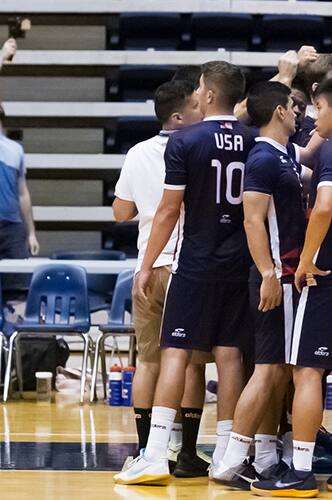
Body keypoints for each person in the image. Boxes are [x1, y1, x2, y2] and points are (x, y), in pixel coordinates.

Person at [114, 60, 257, 486]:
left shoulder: (186, 141)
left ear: (208, 94)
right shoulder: (255, 141)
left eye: (199, 86)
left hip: (194, 260)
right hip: (241, 262)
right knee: (230, 356)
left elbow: (169, 210)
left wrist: (145, 264)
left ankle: (155, 453)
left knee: (173, 353)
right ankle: (228, 457)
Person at [252, 77, 332, 497]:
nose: (314, 117)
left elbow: (324, 205)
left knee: (306, 370)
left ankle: (302, 471)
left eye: (320, 108)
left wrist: (307, 259)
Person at [112, 79, 212, 477]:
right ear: (178, 116)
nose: (201, 108)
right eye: (194, 104)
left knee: (148, 363)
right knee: (191, 365)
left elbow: (121, 212)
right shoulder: (201, 148)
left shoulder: (137, 153)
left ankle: (144, 451)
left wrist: (142, 199)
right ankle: (186, 452)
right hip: (188, 268)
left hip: (148, 268)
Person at [209, 81, 306, 489]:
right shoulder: (263, 157)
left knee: (279, 370)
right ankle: (229, 461)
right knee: (267, 370)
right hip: (275, 276)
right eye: (292, 106)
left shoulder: (284, 154)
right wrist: (268, 273)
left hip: (286, 276)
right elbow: (252, 220)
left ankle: (265, 457)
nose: (298, 112)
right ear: (280, 112)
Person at [0, 102, 38, 264]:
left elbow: (23, 193)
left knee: (16, 284)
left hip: (11, 227)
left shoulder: (15, 150)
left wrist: (31, 233)